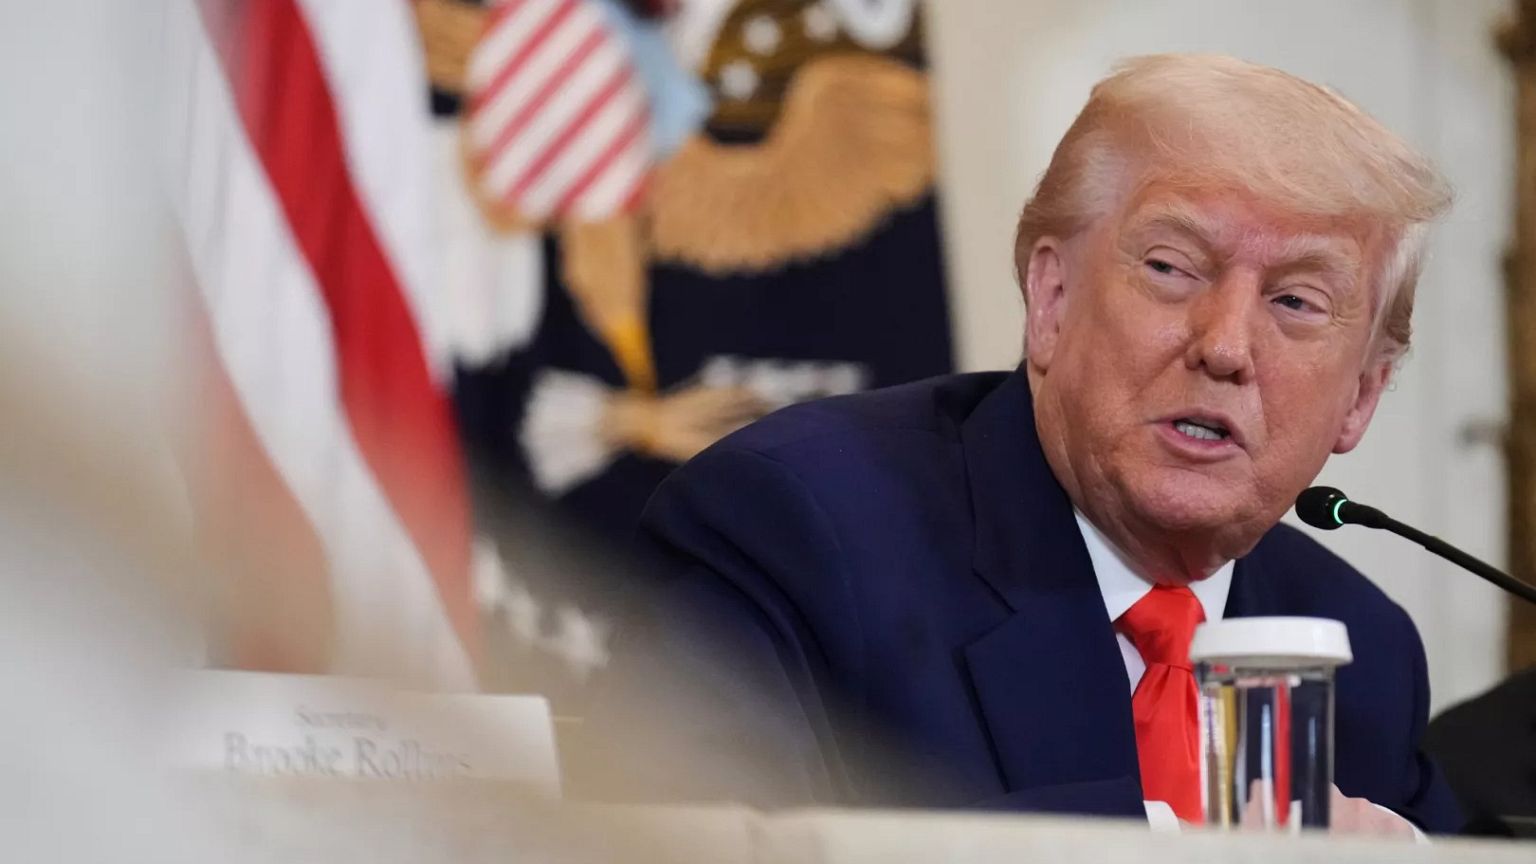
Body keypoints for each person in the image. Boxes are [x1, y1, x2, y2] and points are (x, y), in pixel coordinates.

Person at [583, 54, 1460, 836]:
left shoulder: (1361, 647)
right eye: (1171, 266)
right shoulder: (793, 531)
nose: (1225, 346)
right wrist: (1176, 843)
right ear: (1050, 297)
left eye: (1297, 301)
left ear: (1361, 397)